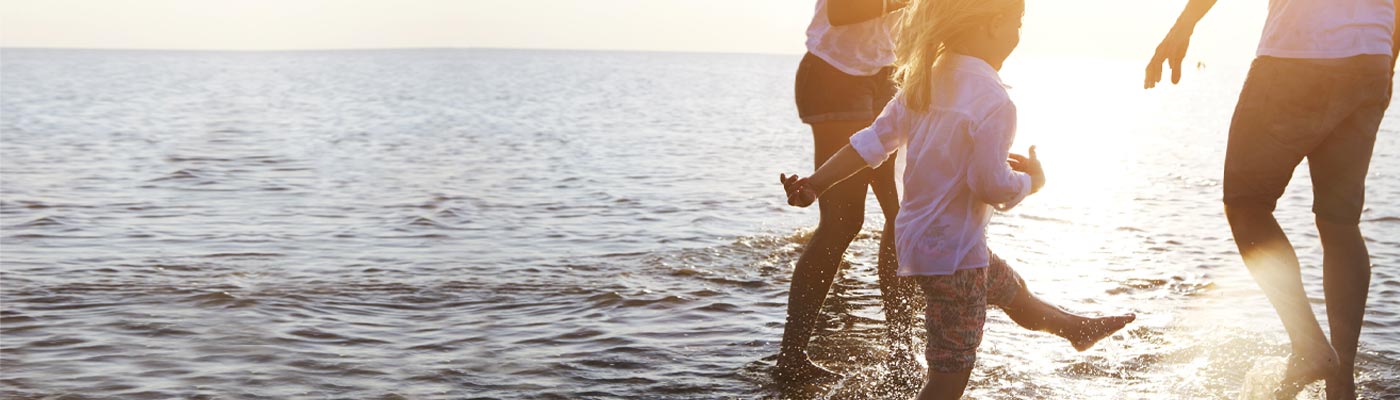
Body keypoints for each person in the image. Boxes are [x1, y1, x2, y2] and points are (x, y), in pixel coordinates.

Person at [781, 0, 1135, 397]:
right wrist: (1031, 183)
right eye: (1016, 23)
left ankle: (1074, 329)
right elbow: (990, 186)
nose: (1019, 34)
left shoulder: (923, 81)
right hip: (953, 258)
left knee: (1008, 289)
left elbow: (871, 143)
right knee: (948, 377)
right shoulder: (995, 102)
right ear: (990, 27)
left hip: (920, 244)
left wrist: (816, 182)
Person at [1145, 1, 1396, 398]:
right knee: (1341, 223)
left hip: (1297, 53)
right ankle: (1340, 382)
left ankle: (1309, 346)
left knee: (1246, 204)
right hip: (1372, 57)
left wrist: (1183, 26)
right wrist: (1387, 61)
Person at [775, 0, 919, 383]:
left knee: (903, 214)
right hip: (834, 74)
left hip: (886, 71)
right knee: (843, 221)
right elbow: (841, 12)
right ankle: (792, 357)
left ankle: (904, 352)